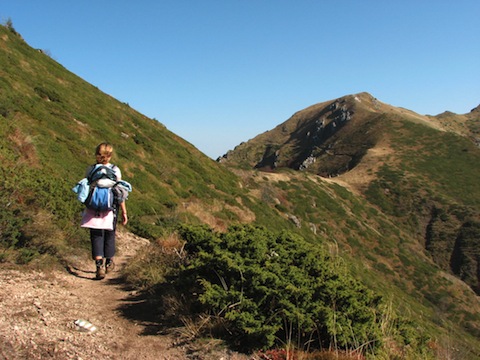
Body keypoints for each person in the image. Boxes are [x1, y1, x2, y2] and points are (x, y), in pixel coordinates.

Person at [81, 142, 128, 280]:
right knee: (110, 233)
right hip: (111, 206)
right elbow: (120, 192)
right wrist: (124, 211)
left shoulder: (90, 169)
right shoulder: (115, 170)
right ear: (110, 156)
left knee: (96, 234)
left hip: (93, 206)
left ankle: (99, 265)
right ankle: (109, 262)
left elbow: (85, 188)